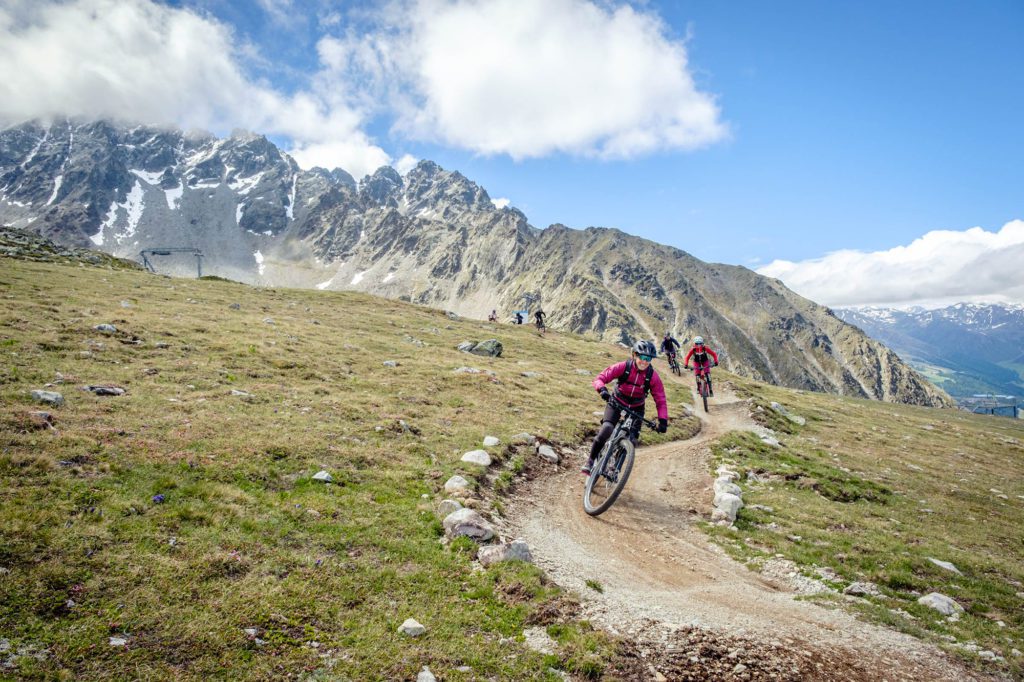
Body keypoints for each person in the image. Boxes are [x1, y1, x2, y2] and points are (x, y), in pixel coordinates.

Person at [584, 340, 669, 475]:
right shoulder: (624, 367)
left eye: (649, 359)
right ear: (634, 355)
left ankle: (615, 468)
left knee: (632, 440)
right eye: (642, 357)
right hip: (616, 402)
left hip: (637, 408)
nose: (645, 361)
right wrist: (602, 390)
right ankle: (590, 460)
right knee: (607, 429)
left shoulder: (652, 376)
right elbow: (600, 378)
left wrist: (663, 420)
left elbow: (660, 399)